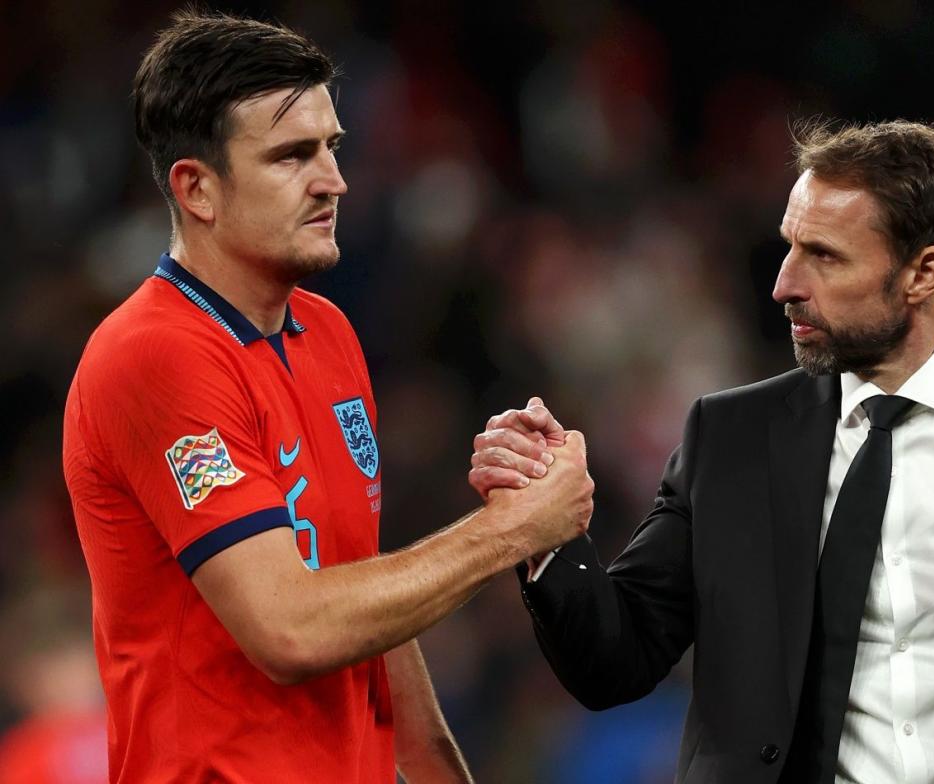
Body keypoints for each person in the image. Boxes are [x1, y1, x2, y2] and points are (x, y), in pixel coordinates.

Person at [470, 120, 934, 782]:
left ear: (923, 273)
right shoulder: (730, 439)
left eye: (824, 257)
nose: (783, 285)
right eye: (788, 248)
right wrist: (547, 534)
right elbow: (618, 662)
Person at [61, 11, 594, 783]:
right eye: (291, 156)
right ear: (197, 188)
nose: (333, 180)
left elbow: (360, 583)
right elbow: (290, 631)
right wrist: (509, 532)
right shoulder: (154, 353)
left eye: (332, 148)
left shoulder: (328, 332)